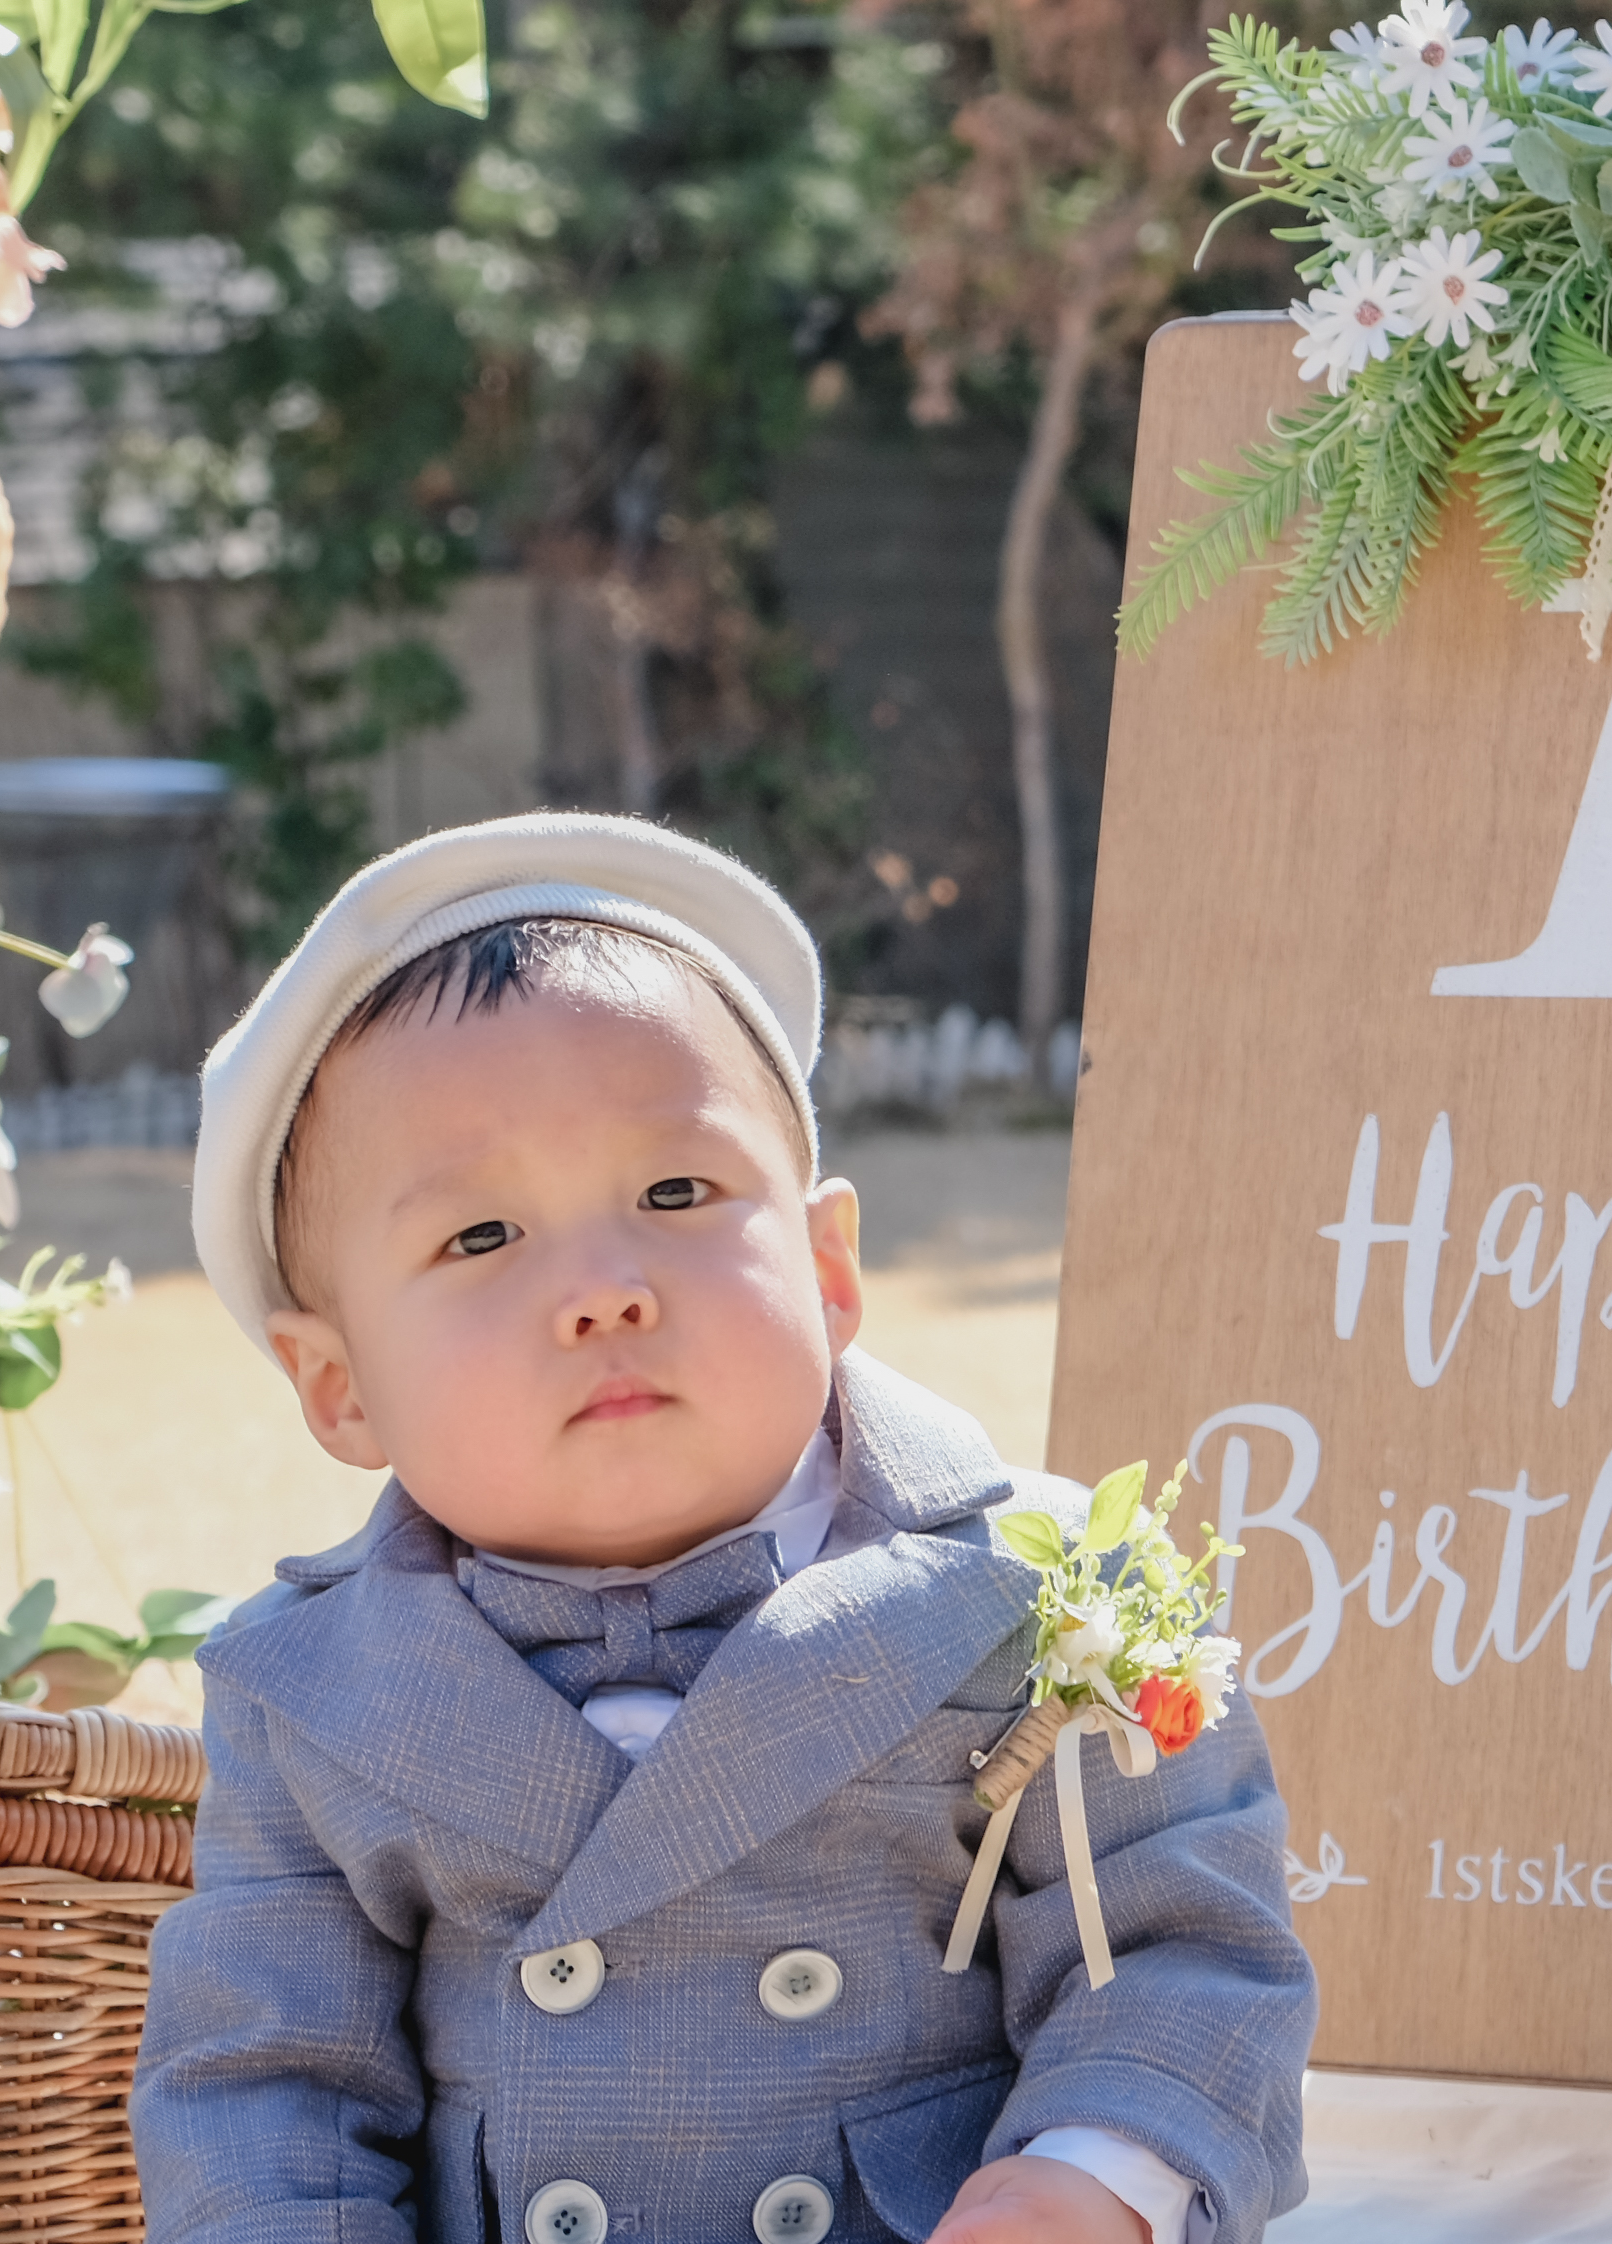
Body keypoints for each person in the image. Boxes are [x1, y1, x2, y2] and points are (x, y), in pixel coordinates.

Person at [131, 812, 1315, 2244]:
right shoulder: (312, 1693)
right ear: (340, 1387)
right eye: (481, 1237)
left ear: (826, 1268)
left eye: (675, 1192)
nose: (604, 1289)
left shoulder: (1042, 1591)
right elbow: (266, 2085)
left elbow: (1179, 1940)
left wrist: (1092, 2174)